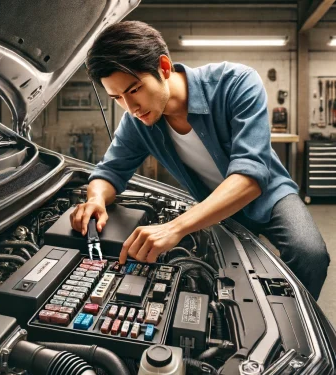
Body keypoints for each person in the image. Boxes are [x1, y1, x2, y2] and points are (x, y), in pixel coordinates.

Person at [70, 21, 329, 300]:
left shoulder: (236, 83)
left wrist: (175, 227)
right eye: (117, 97)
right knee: (224, 283)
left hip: (269, 195)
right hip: (210, 206)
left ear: (164, 67)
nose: (130, 108)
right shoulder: (137, 122)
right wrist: (96, 198)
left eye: (134, 90)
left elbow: (251, 177)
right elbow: (109, 171)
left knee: (311, 255)